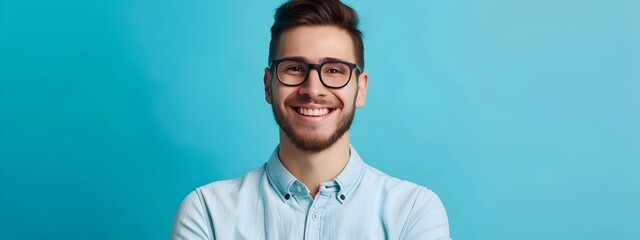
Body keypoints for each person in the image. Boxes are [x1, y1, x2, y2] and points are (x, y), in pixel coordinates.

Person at [171, 0, 450, 239]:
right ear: (268, 85)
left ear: (361, 89)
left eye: (334, 70)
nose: (313, 90)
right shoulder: (207, 213)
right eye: (294, 68)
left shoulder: (413, 212)